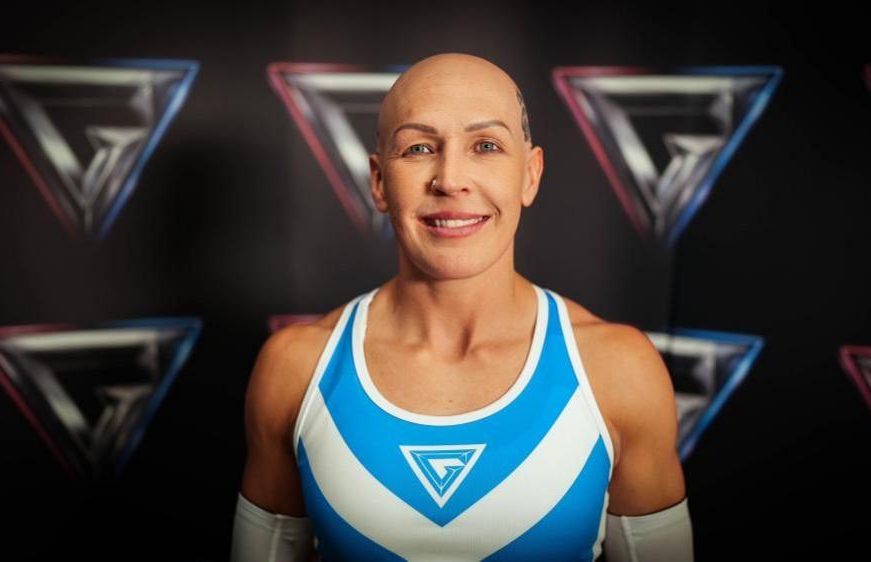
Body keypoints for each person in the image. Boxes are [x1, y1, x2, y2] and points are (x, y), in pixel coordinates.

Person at [231, 52, 693, 561]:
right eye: (419, 147)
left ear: (530, 175)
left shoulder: (618, 369)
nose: (450, 178)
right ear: (380, 181)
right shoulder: (296, 367)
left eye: (486, 146)